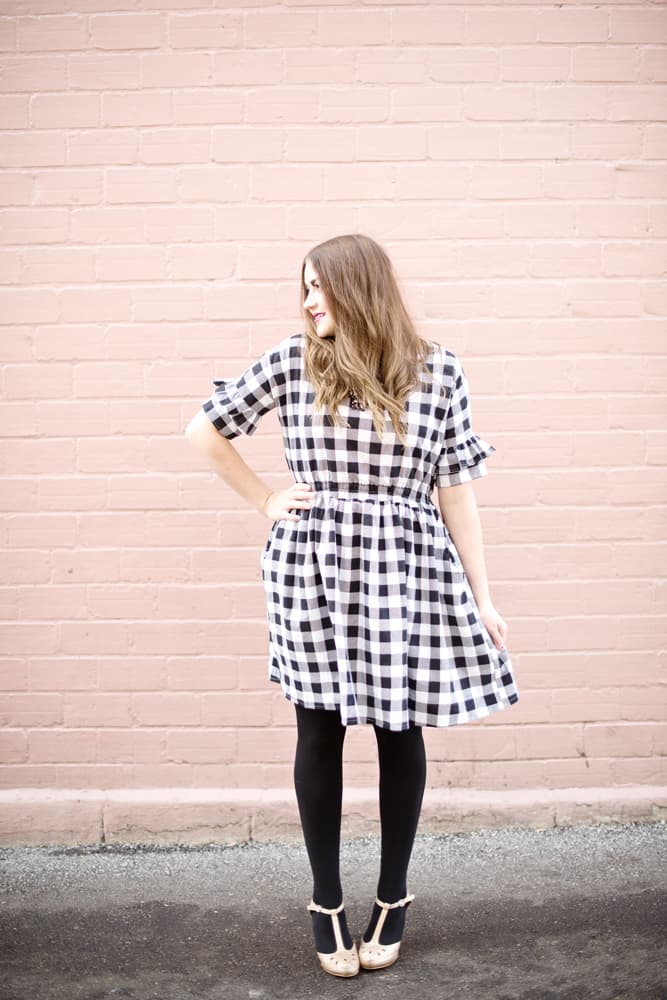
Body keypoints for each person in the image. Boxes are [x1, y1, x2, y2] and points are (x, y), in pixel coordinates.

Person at [185, 233, 519, 978]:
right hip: (312, 566)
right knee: (319, 727)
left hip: (408, 565)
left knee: (399, 730)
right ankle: (325, 901)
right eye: (301, 288)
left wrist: (482, 594)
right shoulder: (293, 360)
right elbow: (201, 430)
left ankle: (393, 898)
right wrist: (267, 498)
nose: (306, 302)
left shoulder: (438, 371)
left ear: (358, 288)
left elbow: (455, 489)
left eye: (318, 287)